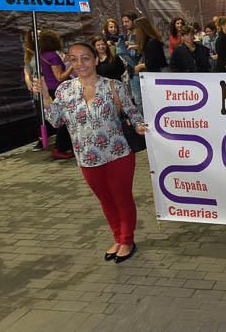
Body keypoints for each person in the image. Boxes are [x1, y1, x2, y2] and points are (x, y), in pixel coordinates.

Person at [31, 42, 146, 264]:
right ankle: (117, 238)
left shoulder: (113, 86)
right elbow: (56, 120)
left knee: (122, 198)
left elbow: (133, 113)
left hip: (118, 154)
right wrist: (45, 95)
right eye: (73, 59)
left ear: (95, 59)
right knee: (105, 200)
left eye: (85, 58)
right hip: (86, 158)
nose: (80, 64)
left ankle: (128, 240)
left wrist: (140, 126)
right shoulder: (65, 90)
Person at [38, 29, 74, 159]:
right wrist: (72, 66)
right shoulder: (52, 56)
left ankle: (63, 146)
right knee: (66, 119)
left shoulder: (42, 55)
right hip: (61, 89)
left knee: (64, 118)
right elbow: (60, 77)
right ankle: (60, 147)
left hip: (53, 89)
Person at [116, 11, 142, 106]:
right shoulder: (128, 34)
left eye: (127, 21)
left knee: (144, 100)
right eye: (123, 22)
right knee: (138, 101)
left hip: (143, 70)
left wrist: (135, 47)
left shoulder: (141, 34)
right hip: (133, 72)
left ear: (134, 21)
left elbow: (145, 50)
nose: (124, 24)